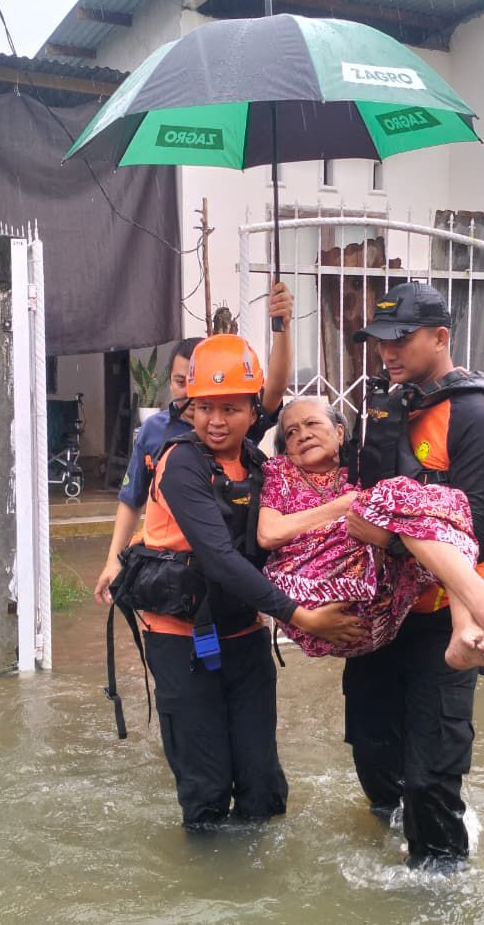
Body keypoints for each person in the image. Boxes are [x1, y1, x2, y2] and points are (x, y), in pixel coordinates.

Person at [108, 334, 363, 828]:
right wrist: (302, 616)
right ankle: (211, 892)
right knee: (205, 793)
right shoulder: (181, 463)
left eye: (230, 409)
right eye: (205, 408)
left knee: (262, 789)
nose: (216, 421)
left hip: (244, 641)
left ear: (253, 411)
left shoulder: (259, 465)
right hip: (182, 645)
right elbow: (222, 559)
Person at [343, 281, 484, 872]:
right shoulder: (387, 407)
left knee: (432, 769)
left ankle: (440, 879)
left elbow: (480, 528)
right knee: (372, 751)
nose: (387, 351)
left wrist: (383, 534)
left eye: (401, 338)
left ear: (441, 337)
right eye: (380, 339)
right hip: (381, 617)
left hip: (444, 625)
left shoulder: (476, 416)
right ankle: (395, 833)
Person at [257, 398, 484, 664]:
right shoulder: (281, 473)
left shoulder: (363, 467)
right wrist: (348, 504)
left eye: (312, 424)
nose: (302, 435)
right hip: (309, 601)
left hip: (373, 618)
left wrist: (375, 523)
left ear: (339, 433)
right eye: (292, 431)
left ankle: (463, 628)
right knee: (389, 496)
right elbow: (269, 534)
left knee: (443, 507)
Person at [94, 283, 294, 606]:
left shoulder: (233, 431)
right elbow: (131, 499)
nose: (189, 395)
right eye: (180, 382)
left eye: (227, 407)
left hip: (228, 584)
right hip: (174, 582)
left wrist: (282, 327)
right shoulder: (156, 432)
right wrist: (113, 559)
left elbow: (273, 390)